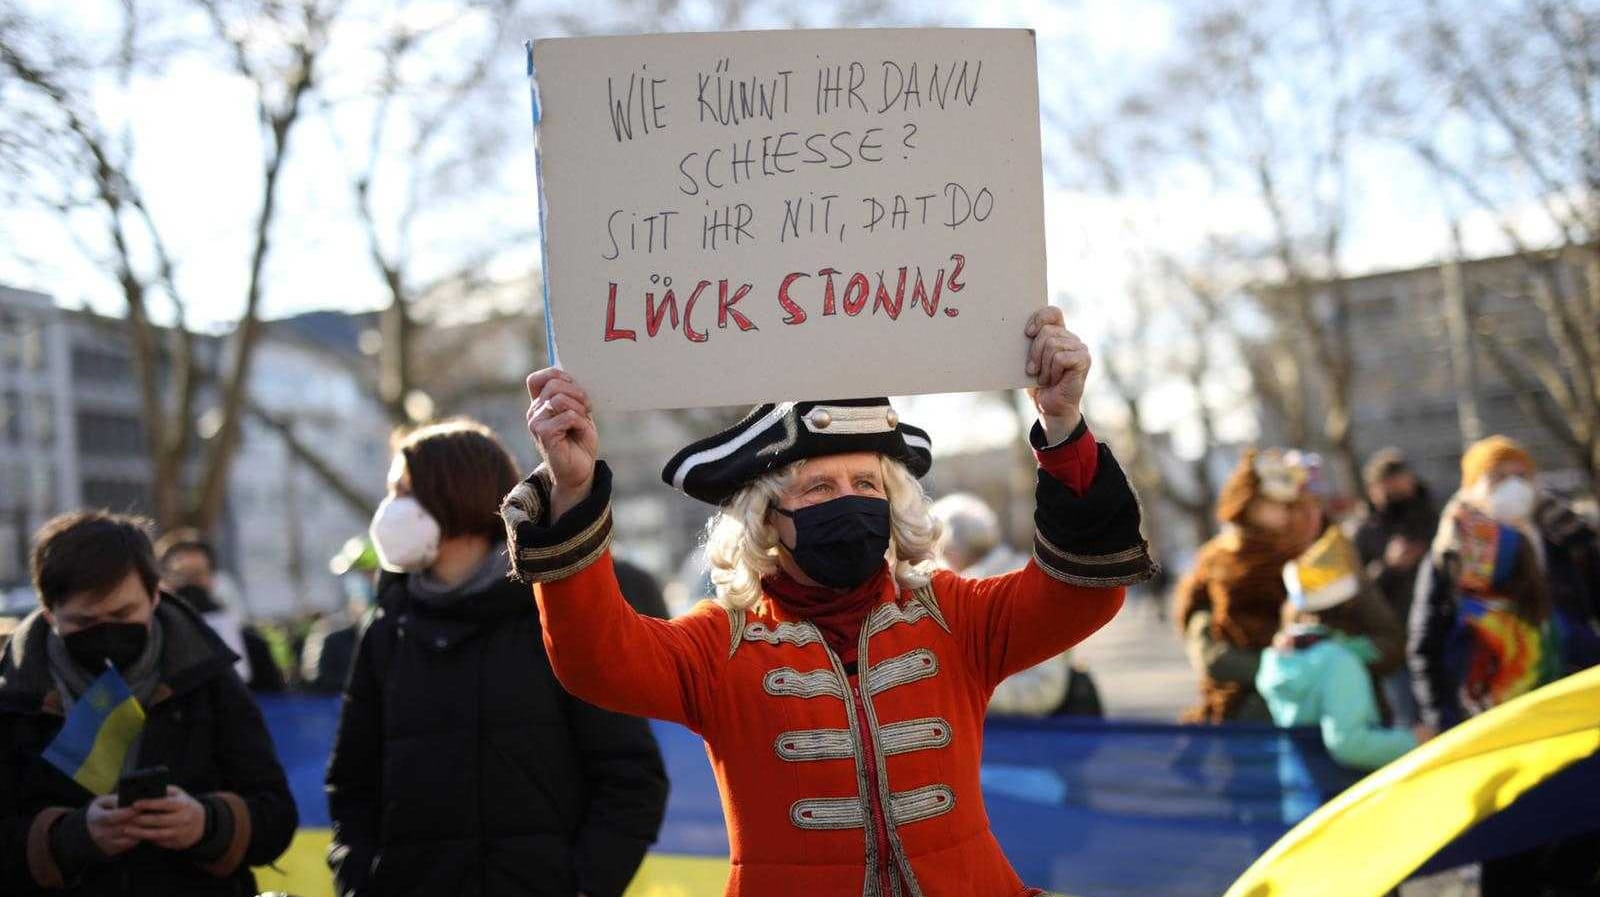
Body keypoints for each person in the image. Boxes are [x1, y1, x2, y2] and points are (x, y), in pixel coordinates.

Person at [505, 306, 1155, 895]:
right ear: (767, 518)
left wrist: (1063, 426)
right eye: (819, 487)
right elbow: (596, 657)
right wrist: (573, 490)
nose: (848, 499)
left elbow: (1081, 596)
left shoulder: (950, 613)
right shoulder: (719, 642)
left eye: (866, 481)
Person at [325, 418, 668, 897]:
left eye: (403, 490)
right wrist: (361, 882)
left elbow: (631, 780)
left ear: (456, 491)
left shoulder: (554, 618)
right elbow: (352, 787)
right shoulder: (387, 630)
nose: (389, 510)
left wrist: (581, 886)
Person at [1, 511, 297, 895]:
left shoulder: (208, 677)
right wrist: (70, 837)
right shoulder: (15, 699)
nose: (106, 631)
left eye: (123, 613)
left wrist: (205, 823)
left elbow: (275, 814)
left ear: (155, 595)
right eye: (83, 622)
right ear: (49, 613)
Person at [1409, 435, 1600, 897]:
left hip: (1564, 719)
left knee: (1573, 833)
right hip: (1493, 729)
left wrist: (1585, 544)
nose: (1514, 487)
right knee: (1507, 845)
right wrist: (1445, 724)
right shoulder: (1452, 550)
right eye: (1499, 478)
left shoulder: (1558, 533)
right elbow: (1425, 645)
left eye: (1522, 476)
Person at [1257, 528, 1432, 771]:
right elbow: (1350, 744)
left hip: (1303, 788)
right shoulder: (1340, 663)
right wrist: (1416, 741)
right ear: (1349, 605)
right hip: (1340, 786)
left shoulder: (1278, 659)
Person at [930, 493, 1100, 717]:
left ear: (952, 549)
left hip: (1029, 742)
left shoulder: (1017, 588)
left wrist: (958, 690)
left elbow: (1043, 689)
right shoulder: (989, 583)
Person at [1352, 448, 1439, 726]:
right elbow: (1355, 591)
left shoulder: (1433, 519)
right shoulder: (1363, 531)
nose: (1395, 489)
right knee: (1408, 722)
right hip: (1393, 643)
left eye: (1399, 479)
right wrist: (1388, 567)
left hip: (1438, 633)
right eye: (1386, 484)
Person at [155, 531, 285, 694]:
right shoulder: (152, 639)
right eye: (182, 575)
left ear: (213, 578)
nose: (191, 585)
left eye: (198, 575)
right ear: (163, 580)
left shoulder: (250, 645)